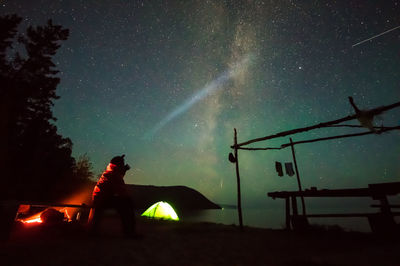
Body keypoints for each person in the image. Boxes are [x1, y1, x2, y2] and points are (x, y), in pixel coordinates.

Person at [88, 154, 136, 237]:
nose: (124, 165)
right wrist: (127, 198)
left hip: (101, 198)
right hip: (102, 200)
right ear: (119, 165)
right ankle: (129, 232)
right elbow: (121, 189)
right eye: (122, 163)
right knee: (127, 204)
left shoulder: (111, 171)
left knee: (125, 203)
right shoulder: (114, 174)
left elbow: (117, 177)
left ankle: (129, 231)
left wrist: (123, 170)